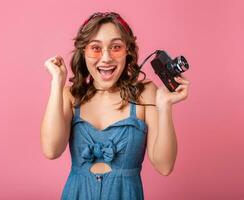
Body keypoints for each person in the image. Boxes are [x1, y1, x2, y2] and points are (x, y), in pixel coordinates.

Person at [41, 12, 190, 200]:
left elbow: (164, 166)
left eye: (116, 47)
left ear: (127, 51)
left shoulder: (146, 94)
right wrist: (57, 82)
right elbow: (51, 150)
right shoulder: (70, 96)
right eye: (96, 48)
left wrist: (165, 106)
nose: (106, 58)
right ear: (83, 52)